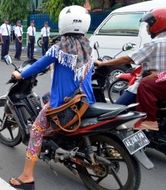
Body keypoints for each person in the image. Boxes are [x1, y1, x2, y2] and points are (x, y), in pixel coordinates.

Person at [9, 6, 94, 189]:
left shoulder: (60, 48)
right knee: (46, 97)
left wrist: (20, 75)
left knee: (36, 131)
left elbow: (38, 65)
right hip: (85, 100)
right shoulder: (88, 46)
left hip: (67, 106)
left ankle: (27, 176)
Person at [95, 8, 166, 131]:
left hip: (149, 84)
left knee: (115, 110)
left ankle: (146, 123)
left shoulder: (156, 43)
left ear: (157, 24)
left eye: (149, 24)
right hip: (160, 85)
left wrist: (103, 63)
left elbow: (128, 59)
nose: (147, 28)